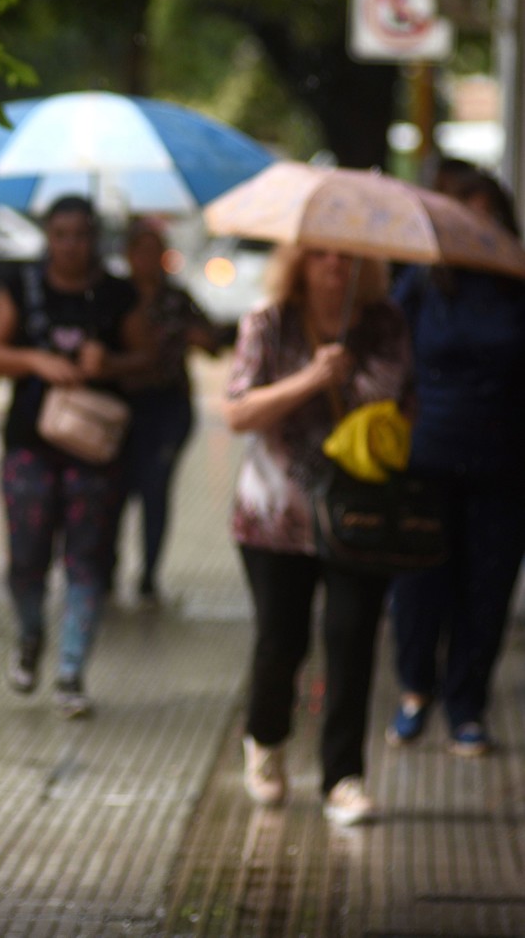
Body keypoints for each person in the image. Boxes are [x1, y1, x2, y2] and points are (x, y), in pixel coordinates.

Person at [222, 244, 410, 826]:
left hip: (360, 514)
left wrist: (344, 375)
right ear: (298, 261)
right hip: (274, 514)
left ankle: (343, 778)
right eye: (321, 255)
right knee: (282, 642)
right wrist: (311, 377)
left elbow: (394, 400)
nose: (335, 266)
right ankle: (267, 738)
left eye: (348, 257)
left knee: (352, 639)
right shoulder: (268, 320)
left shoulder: (383, 324)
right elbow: (237, 412)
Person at [0, 195, 147, 718]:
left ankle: (71, 671)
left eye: (82, 234)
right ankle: (30, 636)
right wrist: (35, 360)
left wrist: (109, 362)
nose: (72, 244)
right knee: (26, 557)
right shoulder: (23, 285)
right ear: (48, 236)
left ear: (97, 238)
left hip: (95, 451)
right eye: (62, 233)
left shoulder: (117, 294)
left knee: (86, 560)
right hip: (30, 445)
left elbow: (151, 358)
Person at [386, 166, 525, 757]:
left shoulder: (518, 284)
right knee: (419, 583)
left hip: (506, 463)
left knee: (487, 588)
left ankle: (467, 705)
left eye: (486, 213)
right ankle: (415, 689)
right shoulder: (419, 284)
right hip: (427, 459)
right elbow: (390, 355)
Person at [116, 217, 220, 605]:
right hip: (124, 406)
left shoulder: (176, 296)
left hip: (168, 405)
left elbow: (213, 338)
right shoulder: (116, 295)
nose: (149, 258)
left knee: (156, 487)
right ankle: (108, 569)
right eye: (142, 250)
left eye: (156, 249)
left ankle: (149, 574)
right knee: (118, 488)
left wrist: (197, 336)